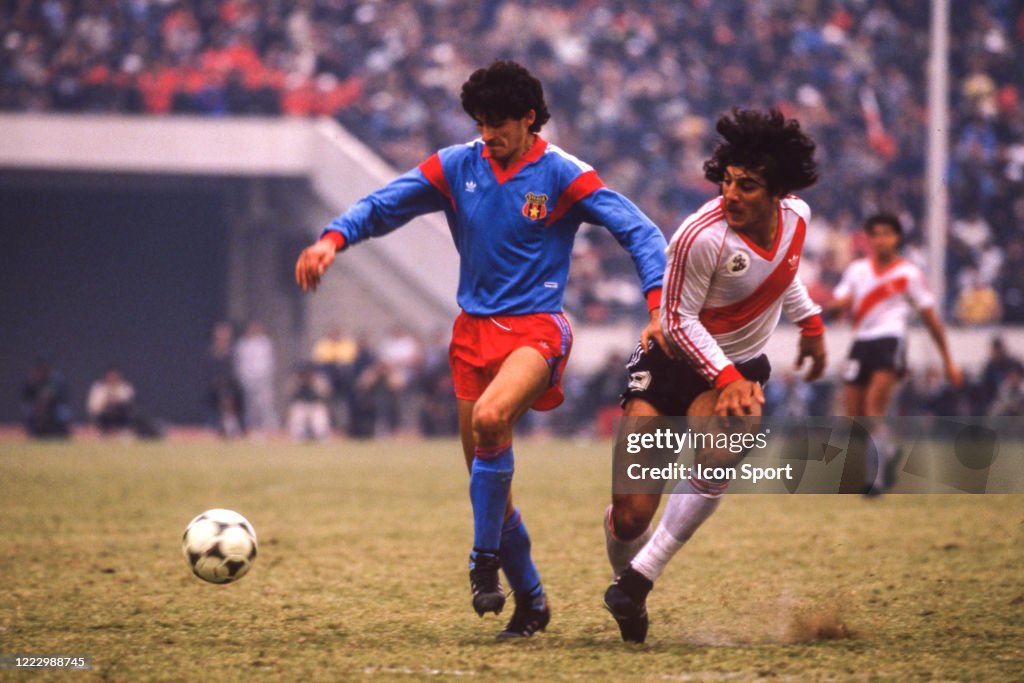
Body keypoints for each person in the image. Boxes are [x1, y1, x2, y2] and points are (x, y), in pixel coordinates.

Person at [295, 60, 668, 639]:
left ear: (529, 119)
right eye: (480, 122)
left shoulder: (563, 174)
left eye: (498, 124)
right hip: (471, 335)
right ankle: (532, 601)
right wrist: (332, 238)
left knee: (494, 421)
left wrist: (657, 304)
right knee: (486, 478)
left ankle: (481, 559)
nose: (487, 134)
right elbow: (385, 203)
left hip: (537, 329)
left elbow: (639, 231)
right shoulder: (456, 165)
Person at [602, 108, 827, 643]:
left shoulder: (798, 217)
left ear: (778, 191)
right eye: (726, 181)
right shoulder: (698, 238)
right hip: (670, 366)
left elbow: (783, 273)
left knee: (727, 445)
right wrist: (724, 376)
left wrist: (811, 321)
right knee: (632, 514)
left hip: (735, 371)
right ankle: (622, 578)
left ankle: (638, 581)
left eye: (747, 185)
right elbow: (676, 322)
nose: (731, 194)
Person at [827, 213, 962, 494]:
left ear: (897, 238)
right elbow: (841, 301)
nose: (880, 240)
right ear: (867, 238)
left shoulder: (908, 274)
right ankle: (886, 452)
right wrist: (826, 307)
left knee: (873, 408)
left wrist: (947, 359)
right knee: (854, 417)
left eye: (887, 233)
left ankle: (876, 480)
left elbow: (931, 319)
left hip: (890, 341)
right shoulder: (857, 270)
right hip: (861, 343)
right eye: (875, 234)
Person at [21, 358, 71, 438]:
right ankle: (32, 433)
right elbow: (25, 395)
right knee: (27, 410)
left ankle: (62, 434)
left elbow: (62, 395)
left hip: (54, 406)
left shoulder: (56, 380)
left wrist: (48, 400)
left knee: (62, 412)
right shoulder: (32, 379)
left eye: (45, 369)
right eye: (40, 370)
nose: (42, 372)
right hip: (35, 406)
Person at [87, 367, 136, 435]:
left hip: (120, 417)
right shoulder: (99, 388)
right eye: (110, 377)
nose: (112, 379)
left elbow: (126, 401)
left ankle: (121, 432)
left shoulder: (125, 387)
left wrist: (114, 397)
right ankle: (104, 432)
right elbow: (93, 407)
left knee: (118, 410)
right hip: (103, 417)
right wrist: (107, 401)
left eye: (115, 377)